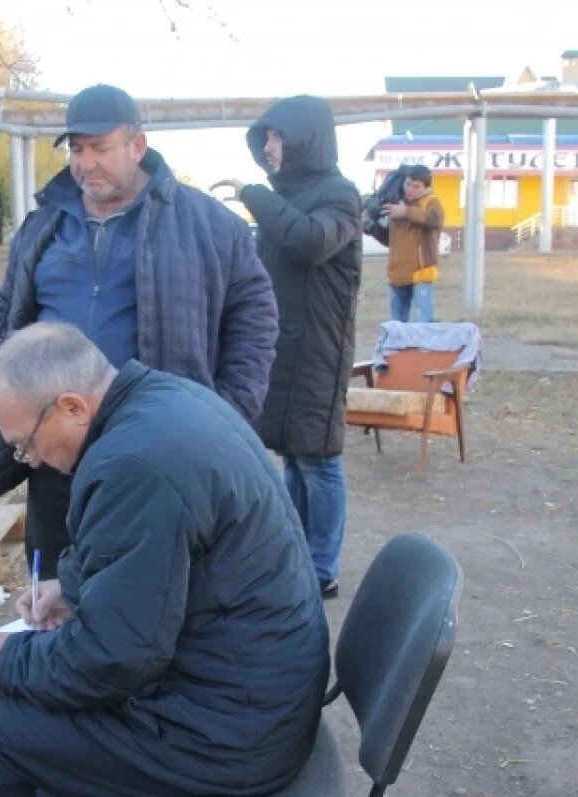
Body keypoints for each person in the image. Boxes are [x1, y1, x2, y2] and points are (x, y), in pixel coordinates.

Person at [0, 323, 330, 797]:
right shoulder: (169, 401)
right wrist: (72, 587)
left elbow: (115, 661)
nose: (29, 459)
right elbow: (160, 557)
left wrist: (16, 661)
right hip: (258, 694)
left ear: (72, 406)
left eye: (24, 444)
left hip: (226, 740)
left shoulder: (133, 466)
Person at [0, 84, 279, 581]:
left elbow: (255, 316)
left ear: (137, 145)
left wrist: (231, 407)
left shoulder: (208, 224)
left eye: (100, 147)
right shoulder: (43, 225)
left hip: (156, 447)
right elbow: (9, 312)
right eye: (77, 149)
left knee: (146, 578)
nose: (85, 163)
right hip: (55, 441)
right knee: (55, 577)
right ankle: (53, 646)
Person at [211, 95, 362, 598]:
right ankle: (298, 553)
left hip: (318, 347)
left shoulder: (339, 195)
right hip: (279, 346)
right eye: (267, 138)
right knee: (294, 455)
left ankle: (323, 566)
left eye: (277, 137)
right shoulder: (285, 194)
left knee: (318, 456)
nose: (270, 147)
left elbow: (311, 241)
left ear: (305, 138)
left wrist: (254, 195)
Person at [382, 164, 445, 323]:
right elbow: (391, 240)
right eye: (407, 184)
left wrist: (406, 212)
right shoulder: (397, 204)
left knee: (424, 326)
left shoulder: (432, 203)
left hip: (420, 274)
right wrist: (370, 227)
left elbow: (434, 219)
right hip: (397, 274)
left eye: (416, 186)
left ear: (426, 188)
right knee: (397, 328)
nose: (410, 189)